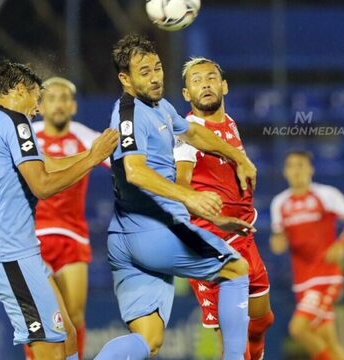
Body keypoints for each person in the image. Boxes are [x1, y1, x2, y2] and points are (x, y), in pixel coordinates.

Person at [94, 34, 258, 360]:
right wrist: (191, 198)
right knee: (236, 268)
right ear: (124, 78)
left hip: (128, 236)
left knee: (148, 340)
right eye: (144, 72)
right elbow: (134, 171)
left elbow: (194, 133)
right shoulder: (129, 115)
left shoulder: (161, 106)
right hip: (152, 230)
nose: (155, 77)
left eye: (157, 68)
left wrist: (239, 157)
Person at [0, 60, 118, 360]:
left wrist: (89, 153)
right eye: (37, 97)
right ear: (20, 89)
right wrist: (91, 161)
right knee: (49, 349)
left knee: (68, 336)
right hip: (9, 253)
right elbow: (43, 185)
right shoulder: (16, 122)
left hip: (15, 250)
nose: (37, 109)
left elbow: (44, 163)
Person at [174, 57, 274, 360]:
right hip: (211, 241)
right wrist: (216, 217)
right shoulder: (189, 130)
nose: (205, 83)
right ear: (186, 94)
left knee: (261, 320)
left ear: (224, 86)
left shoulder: (229, 125)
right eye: (196, 80)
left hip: (244, 236)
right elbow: (182, 186)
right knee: (233, 341)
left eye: (211, 77)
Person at [25, 77, 109, 360]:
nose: (58, 104)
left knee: (73, 315)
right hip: (32, 238)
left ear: (73, 106)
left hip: (72, 236)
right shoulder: (28, 136)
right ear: (41, 105)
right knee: (38, 315)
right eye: (51, 98)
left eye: (64, 99)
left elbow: (122, 161)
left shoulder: (85, 137)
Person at [269, 150, 344, 360]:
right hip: (302, 280)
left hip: (326, 274)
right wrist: (278, 242)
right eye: (292, 166)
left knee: (298, 329)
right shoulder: (279, 203)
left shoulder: (326, 194)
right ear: (285, 171)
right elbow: (278, 239)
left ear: (311, 169)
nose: (297, 171)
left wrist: (342, 244)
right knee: (330, 344)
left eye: (301, 165)